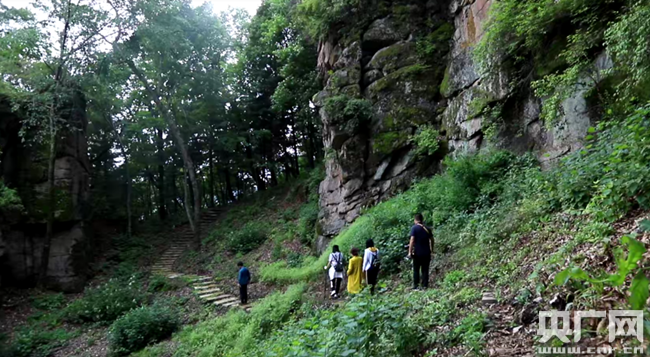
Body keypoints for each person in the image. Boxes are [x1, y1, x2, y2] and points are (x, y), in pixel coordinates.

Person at [408, 213, 433, 290]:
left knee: (416, 270)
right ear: (422, 220)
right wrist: (432, 249)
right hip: (426, 252)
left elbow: (412, 240)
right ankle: (425, 286)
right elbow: (432, 239)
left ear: (415, 220)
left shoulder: (414, 228)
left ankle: (416, 286)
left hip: (417, 253)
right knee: (425, 270)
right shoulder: (427, 228)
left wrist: (409, 252)